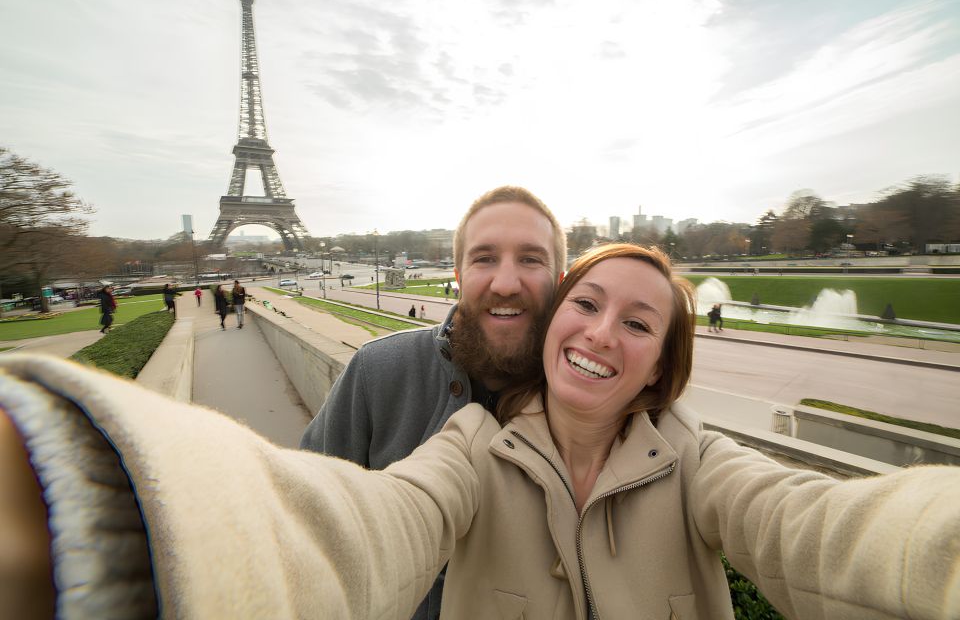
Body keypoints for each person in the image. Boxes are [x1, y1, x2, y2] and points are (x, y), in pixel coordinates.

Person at [1, 243, 958, 619]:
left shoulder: (699, 460)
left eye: (639, 322)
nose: (600, 332)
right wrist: (119, 488)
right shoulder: (468, 446)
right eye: (586, 304)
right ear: (552, 327)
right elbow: (369, 523)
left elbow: (818, 531)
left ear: (662, 366)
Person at [300, 185, 566, 618]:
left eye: (531, 259)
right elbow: (308, 522)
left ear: (557, 282)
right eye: (484, 258)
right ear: (458, 276)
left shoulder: (584, 399)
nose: (505, 282)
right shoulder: (376, 371)